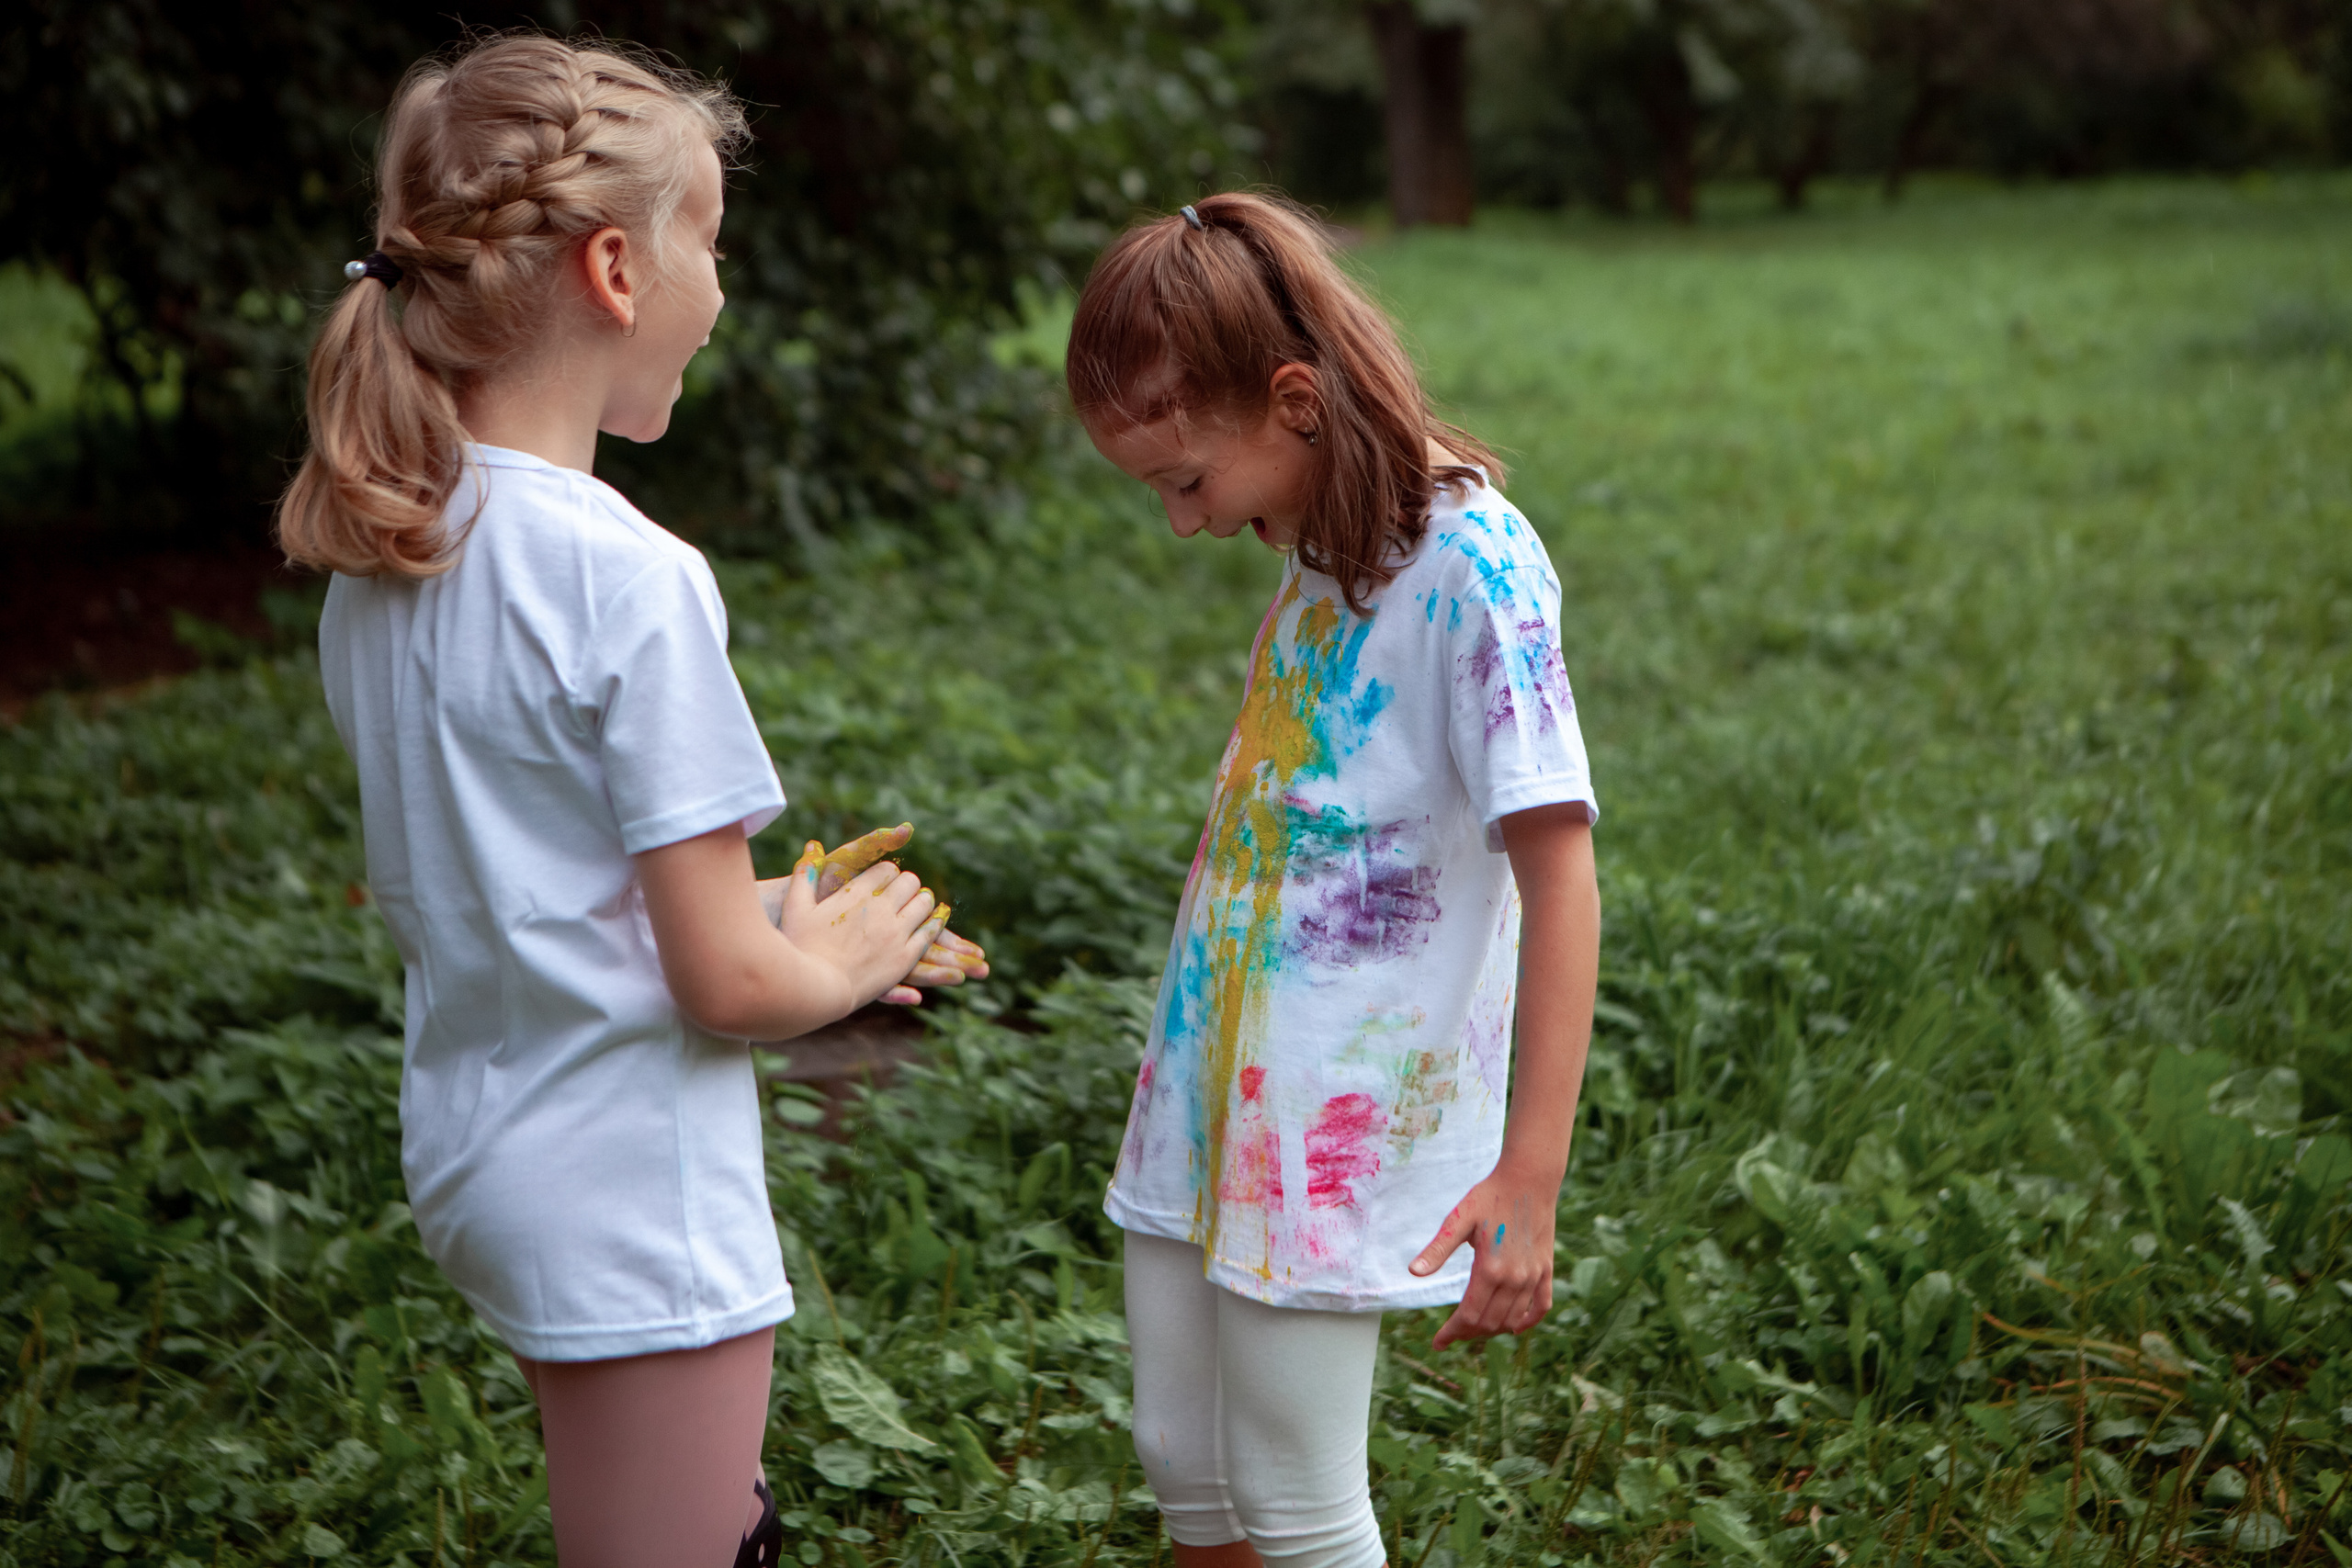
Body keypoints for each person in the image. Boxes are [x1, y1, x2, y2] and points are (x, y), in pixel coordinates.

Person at [277, 35, 983, 1567]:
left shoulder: (389, 556)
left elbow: (536, 884)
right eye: (709, 244)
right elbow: (724, 981)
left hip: (484, 1149)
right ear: (615, 268)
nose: (720, 293)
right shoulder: (630, 579)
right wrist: (840, 964)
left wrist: (800, 909)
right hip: (626, 1190)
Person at [1065, 193, 1602, 1568]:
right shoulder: (1318, 550)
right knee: (1188, 1470)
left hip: (1331, 1128)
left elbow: (1560, 875)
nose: (1183, 524)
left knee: (1299, 1504)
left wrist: (1528, 1176)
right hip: (1209, 1093)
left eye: (1185, 482)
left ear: (1294, 401)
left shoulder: (1475, 569)